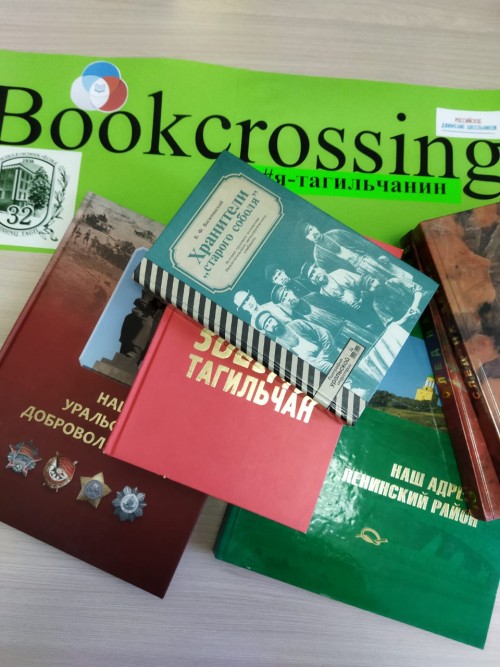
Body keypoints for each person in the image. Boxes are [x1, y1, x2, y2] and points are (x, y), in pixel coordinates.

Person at [298, 221, 413, 281]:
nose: (312, 233)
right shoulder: (318, 256)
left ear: (315, 227)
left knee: (400, 274)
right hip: (360, 274)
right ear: (307, 239)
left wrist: (378, 254)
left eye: (311, 229)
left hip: (369, 258)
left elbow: (361, 242)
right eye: (308, 233)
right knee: (387, 284)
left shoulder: (335, 233)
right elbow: (334, 274)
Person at [254, 309, 339, 373]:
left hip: (331, 353)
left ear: (275, 318)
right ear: (267, 331)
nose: (271, 325)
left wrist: (326, 356)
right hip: (318, 371)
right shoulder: (279, 346)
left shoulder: (297, 324)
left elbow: (324, 334)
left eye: (270, 321)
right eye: (267, 326)